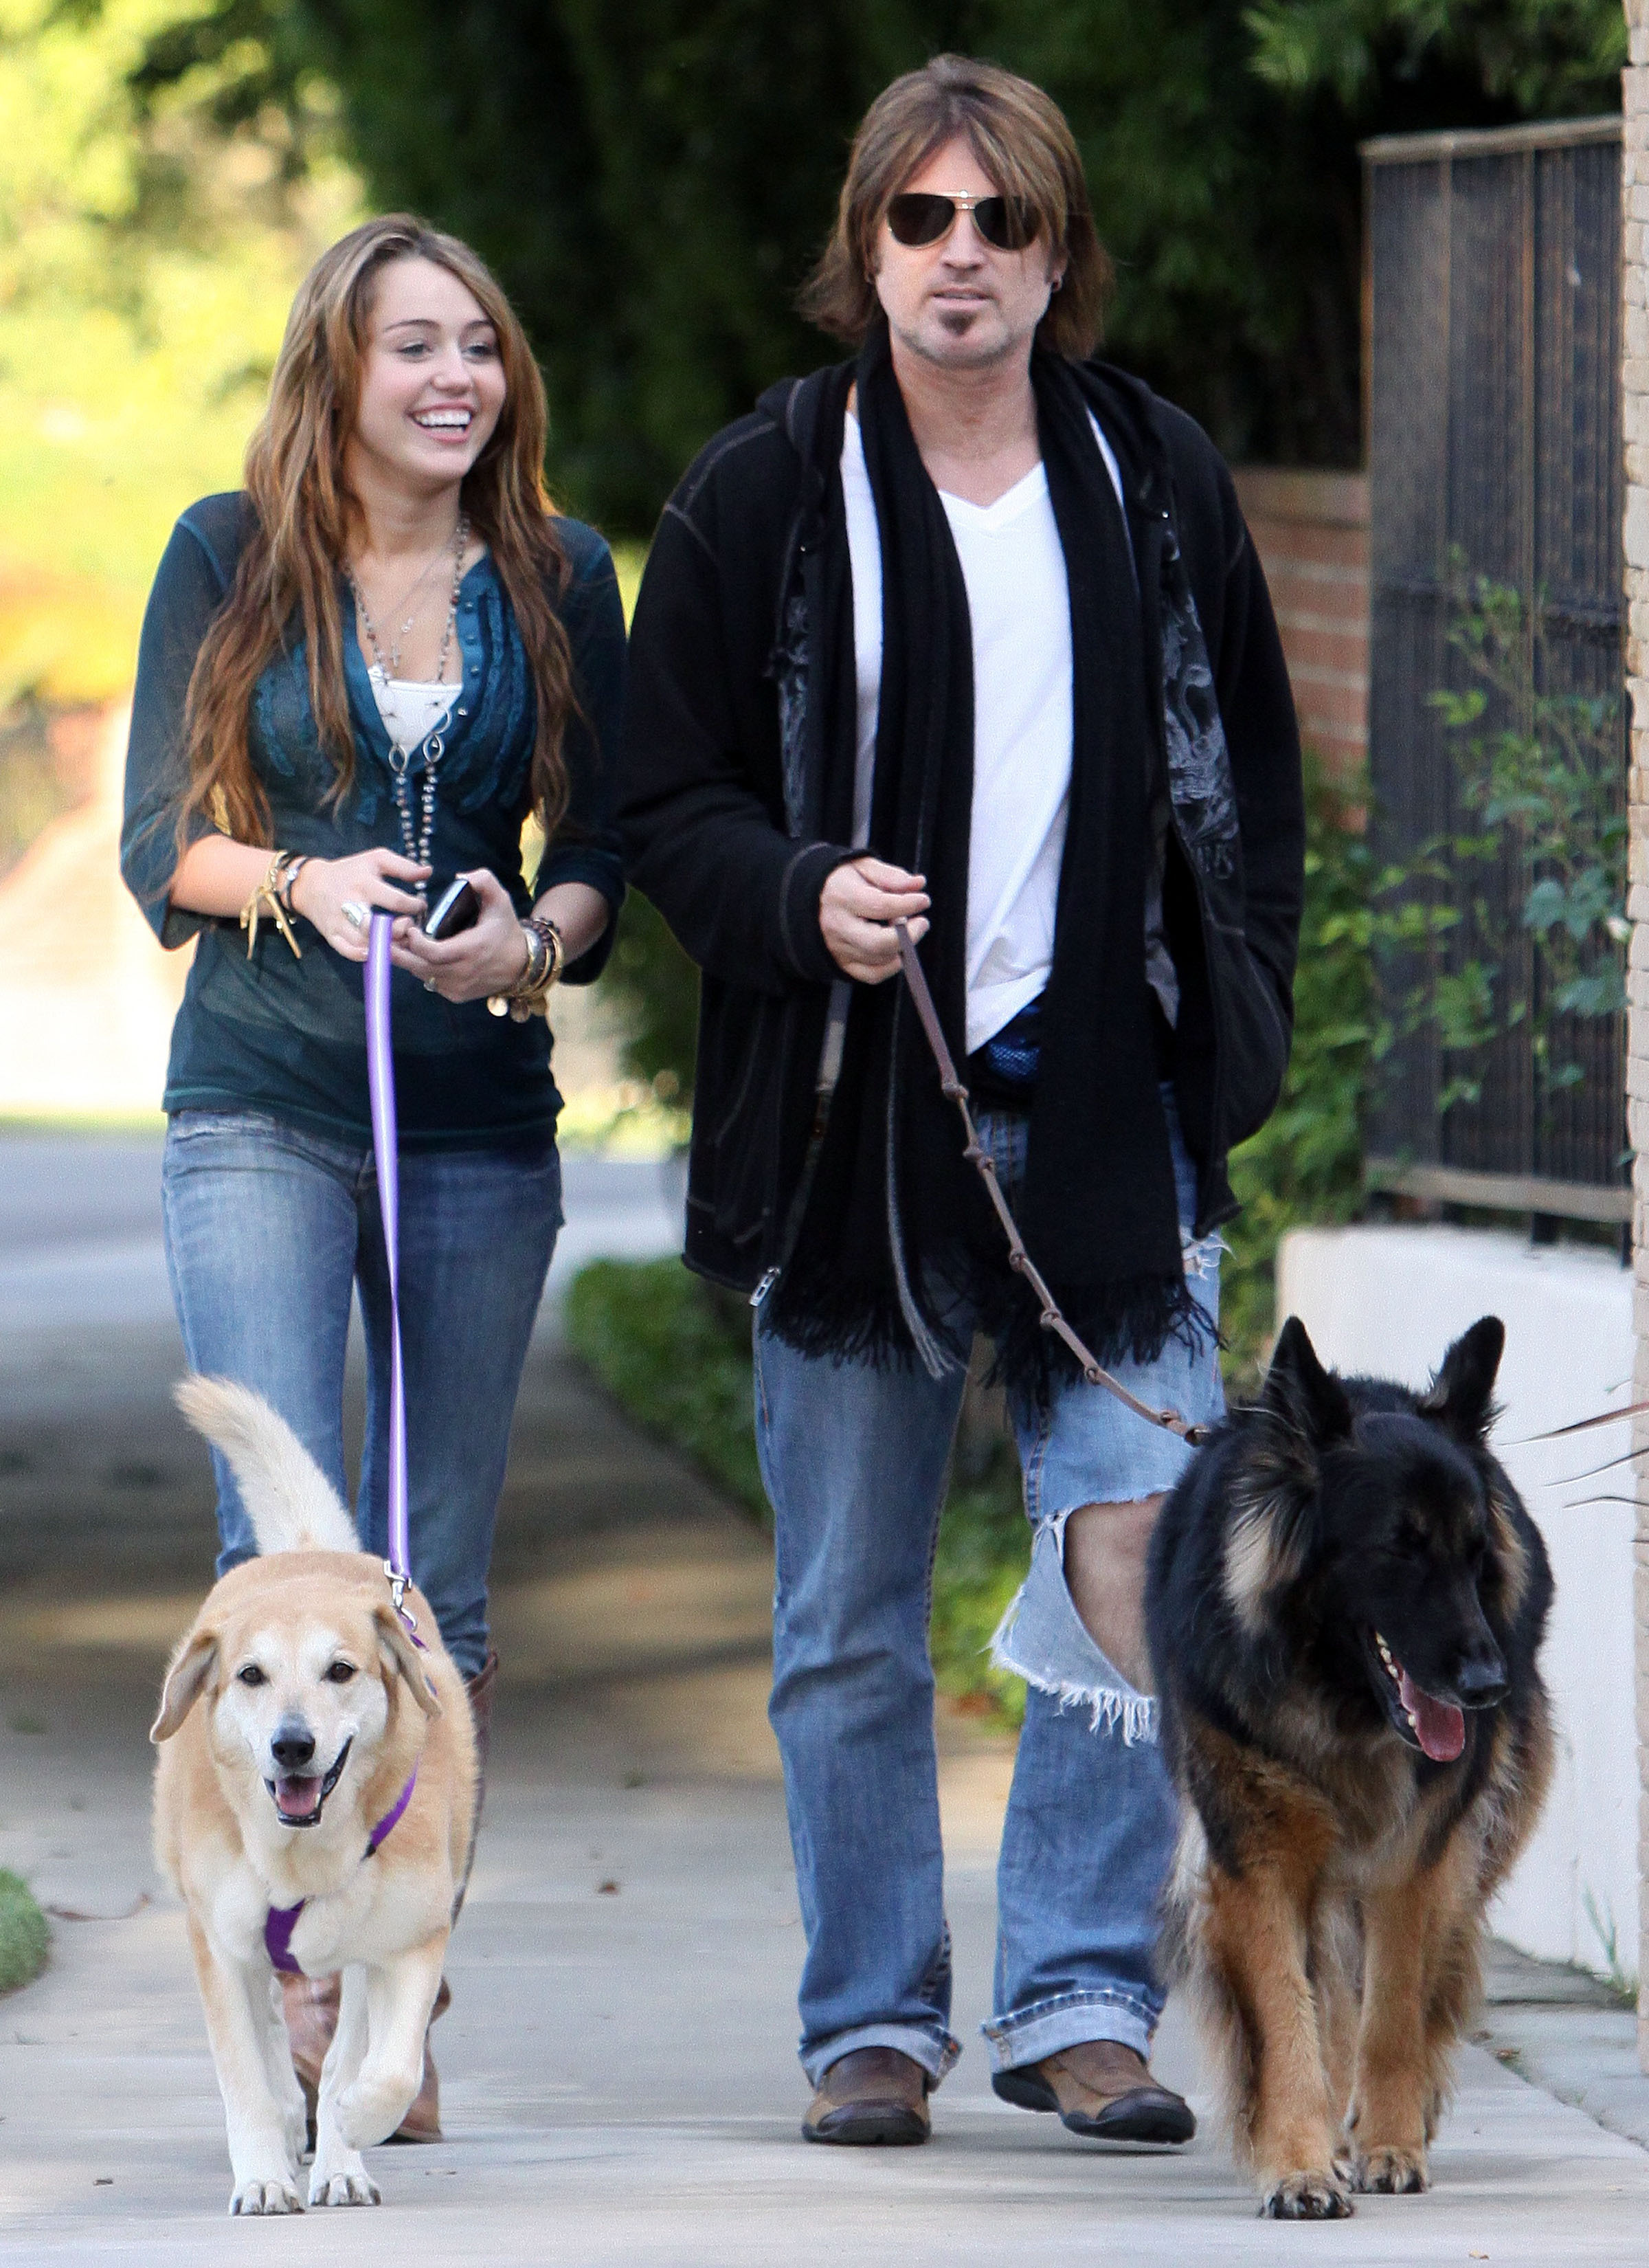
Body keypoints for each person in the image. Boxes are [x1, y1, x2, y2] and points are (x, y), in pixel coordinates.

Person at [620, 56, 1303, 2147]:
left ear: (1058, 250)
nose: (963, 255)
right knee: (847, 1608)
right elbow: (662, 798)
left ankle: (1082, 1999)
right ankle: (871, 2020)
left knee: (1131, 1564)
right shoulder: (769, 486)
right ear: (868, 243)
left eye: (1005, 221)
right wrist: (800, 895)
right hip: (856, 1130)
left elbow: (1249, 775)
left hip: (1103, 1118)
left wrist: (1232, 1018)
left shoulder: (1147, 473)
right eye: (922, 218)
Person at [121, 214, 626, 2137]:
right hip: (258, 1097)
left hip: (475, 1120)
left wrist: (531, 943)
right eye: (414, 344)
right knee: (277, 1556)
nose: (453, 379)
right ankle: (290, 1988)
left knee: (434, 1596)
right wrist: (300, 879)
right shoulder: (226, 554)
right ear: (336, 367)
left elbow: (607, 850)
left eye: (479, 346)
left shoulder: (560, 573)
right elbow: (160, 841)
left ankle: (393, 1988)